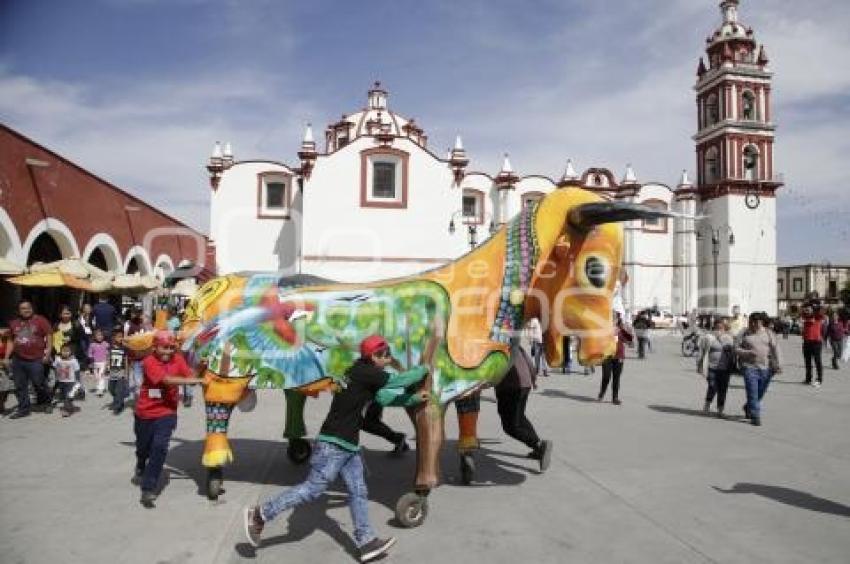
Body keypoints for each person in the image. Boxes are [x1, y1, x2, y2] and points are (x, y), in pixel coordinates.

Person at [243, 334, 431, 562]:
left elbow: (383, 398)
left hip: (347, 446)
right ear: (374, 356)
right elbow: (395, 382)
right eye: (386, 355)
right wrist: (424, 369)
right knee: (313, 489)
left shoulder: (359, 372)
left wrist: (412, 400)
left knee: (358, 491)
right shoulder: (365, 372)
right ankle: (260, 514)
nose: (389, 359)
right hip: (334, 444)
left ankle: (366, 542)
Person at [133, 330, 205, 507]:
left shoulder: (178, 360)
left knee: (159, 448)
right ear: (155, 347)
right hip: (145, 412)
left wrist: (201, 367)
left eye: (172, 348)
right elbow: (166, 381)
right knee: (143, 448)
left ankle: (148, 489)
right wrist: (192, 381)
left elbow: (191, 378)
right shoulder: (149, 361)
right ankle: (141, 461)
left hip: (166, 413)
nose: (168, 352)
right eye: (164, 348)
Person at [495, 337, 552, 471]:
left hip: (509, 387)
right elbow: (530, 364)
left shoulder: (497, 348)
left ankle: (538, 445)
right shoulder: (516, 346)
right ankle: (537, 448)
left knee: (510, 427)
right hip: (524, 385)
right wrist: (533, 380)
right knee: (520, 417)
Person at [6, 301, 53, 418]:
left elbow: (49, 335)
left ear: (32, 308)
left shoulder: (41, 320)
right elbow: (11, 340)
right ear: (18, 311)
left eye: (28, 308)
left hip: (36, 358)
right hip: (18, 359)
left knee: (39, 382)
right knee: (20, 385)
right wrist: (6, 357)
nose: (26, 310)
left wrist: (48, 354)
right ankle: (23, 408)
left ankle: (46, 402)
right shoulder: (14, 323)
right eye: (23, 308)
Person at [735, 312, 781, 426]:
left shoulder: (768, 333)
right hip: (749, 367)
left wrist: (779, 364)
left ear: (761, 322)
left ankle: (748, 406)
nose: (754, 324)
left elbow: (776, 349)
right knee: (752, 391)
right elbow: (735, 348)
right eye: (752, 322)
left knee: (761, 392)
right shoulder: (744, 333)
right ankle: (755, 415)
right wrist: (747, 353)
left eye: (756, 322)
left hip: (766, 367)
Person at [697, 317, 734, 417]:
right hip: (711, 367)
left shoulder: (729, 338)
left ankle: (720, 410)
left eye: (721, 328)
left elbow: (733, 352)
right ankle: (707, 405)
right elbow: (701, 352)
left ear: (724, 328)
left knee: (723, 389)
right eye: (717, 327)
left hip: (725, 368)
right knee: (713, 386)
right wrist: (699, 365)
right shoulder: (708, 338)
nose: (719, 330)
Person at [598, 313, 633, 405]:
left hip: (619, 357)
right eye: (611, 319)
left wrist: (626, 329)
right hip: (607, 356)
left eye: (614, 319)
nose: (613, 320)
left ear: (617, 320)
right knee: (606, 376)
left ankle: (615, 398)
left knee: (616, 378)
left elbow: (630, 340)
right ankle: (602, 393)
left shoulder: (621, 330)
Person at [53, 305, 86, 400]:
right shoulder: (56, 325)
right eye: (64, 313)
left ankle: (79, 389)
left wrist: (71, 339)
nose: (66, 315)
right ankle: (65, 391)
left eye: (68, 313)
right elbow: (53, 338)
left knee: (75, 373)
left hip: (73, 352)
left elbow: (82, 338)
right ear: (60, 314)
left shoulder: (76, 324)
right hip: (60, 352)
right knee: (63, 373)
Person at [800, 303, 827, 387]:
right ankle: (808, 379)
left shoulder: (817, 316)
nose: (807, 310)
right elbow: (800, 311)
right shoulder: (804, 316)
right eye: (806, 309)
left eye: (808, 309)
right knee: (807, 362)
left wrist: (817, 305)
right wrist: (804, 309)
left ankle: (819, 379)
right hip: (806, 342)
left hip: (816, 342)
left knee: (817, 361)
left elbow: (823, 310)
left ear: (813, 309)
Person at [53, 343, 80, 417]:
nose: (65, 352)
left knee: (68, 396)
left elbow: (77, 371)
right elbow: (55, 367)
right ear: (60, 351)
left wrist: (78, 381)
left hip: (71, 382)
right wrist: (56, 377)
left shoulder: (74, 361)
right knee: (64, 396)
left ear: (71, 352)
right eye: (63, 351)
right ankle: (71, 407)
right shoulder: (58, 359)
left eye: (67, 351)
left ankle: (66, 411)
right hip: (61, 381)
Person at [108, 331, 130, 415]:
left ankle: (118, 406)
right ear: (114, 338)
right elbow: (108, 357)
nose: (120, 339)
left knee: (118, 390)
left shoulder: (124, 349)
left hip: (121, 371)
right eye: (118, 337)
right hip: (112, 371)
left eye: (121, 337)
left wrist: (126, 373)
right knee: (111, 389)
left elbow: (126, 361)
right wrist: (106, 368)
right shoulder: (111, 348)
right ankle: (118, 400)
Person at [87, 328, 110, 397]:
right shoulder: (92, 345)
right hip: (95, 363)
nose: (100, 337)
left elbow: (108, 354)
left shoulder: (106, 344)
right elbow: (90, 354)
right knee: (97, 377)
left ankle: (100, 389)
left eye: (101, 335)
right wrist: (91, 363)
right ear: (94, 336)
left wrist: (108, 362)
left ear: (103, 336)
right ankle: (98, 388)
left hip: (103, 362)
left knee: (101, 375)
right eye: (98, 335)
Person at [0, 326, 15, 414]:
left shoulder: (8, 339)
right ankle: (1, 406)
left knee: (6, 388)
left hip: (6, 366)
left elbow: (10, 350)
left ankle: (1, 403)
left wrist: (6, 359)